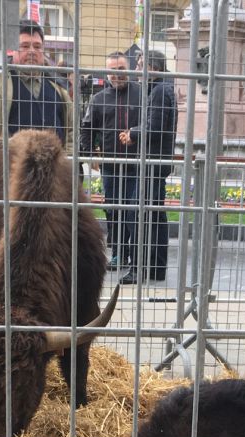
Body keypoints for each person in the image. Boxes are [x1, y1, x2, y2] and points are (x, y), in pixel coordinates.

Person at [81, 51, 143, 282]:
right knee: (113, 209)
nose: (116, 75)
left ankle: (136, 256)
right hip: (110, 165)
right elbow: (86, 128)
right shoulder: (98, 99)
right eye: (112, 71)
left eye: (120, 70)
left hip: (137, 164)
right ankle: (118, 253)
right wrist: (89, 155)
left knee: (132, 211)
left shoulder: (141, 94)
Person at [0, 20, 74, 146]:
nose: (32, 51)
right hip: (7, 164)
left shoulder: (59, 89)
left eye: (37, 46)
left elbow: (71, 135)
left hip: (52, 165)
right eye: (25, 46)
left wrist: (65, 162)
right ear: (13, 49)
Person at [119, 49, 177, 283]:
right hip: (155, 163)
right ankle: (156, 268)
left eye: (140, 65)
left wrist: (132, 133)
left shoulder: (160, 90)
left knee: (138, 215)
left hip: (152, 164)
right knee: (155, 216)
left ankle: (139, 268)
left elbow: (155, 126)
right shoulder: (161, 89)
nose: (136, 70)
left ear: (153, 68)